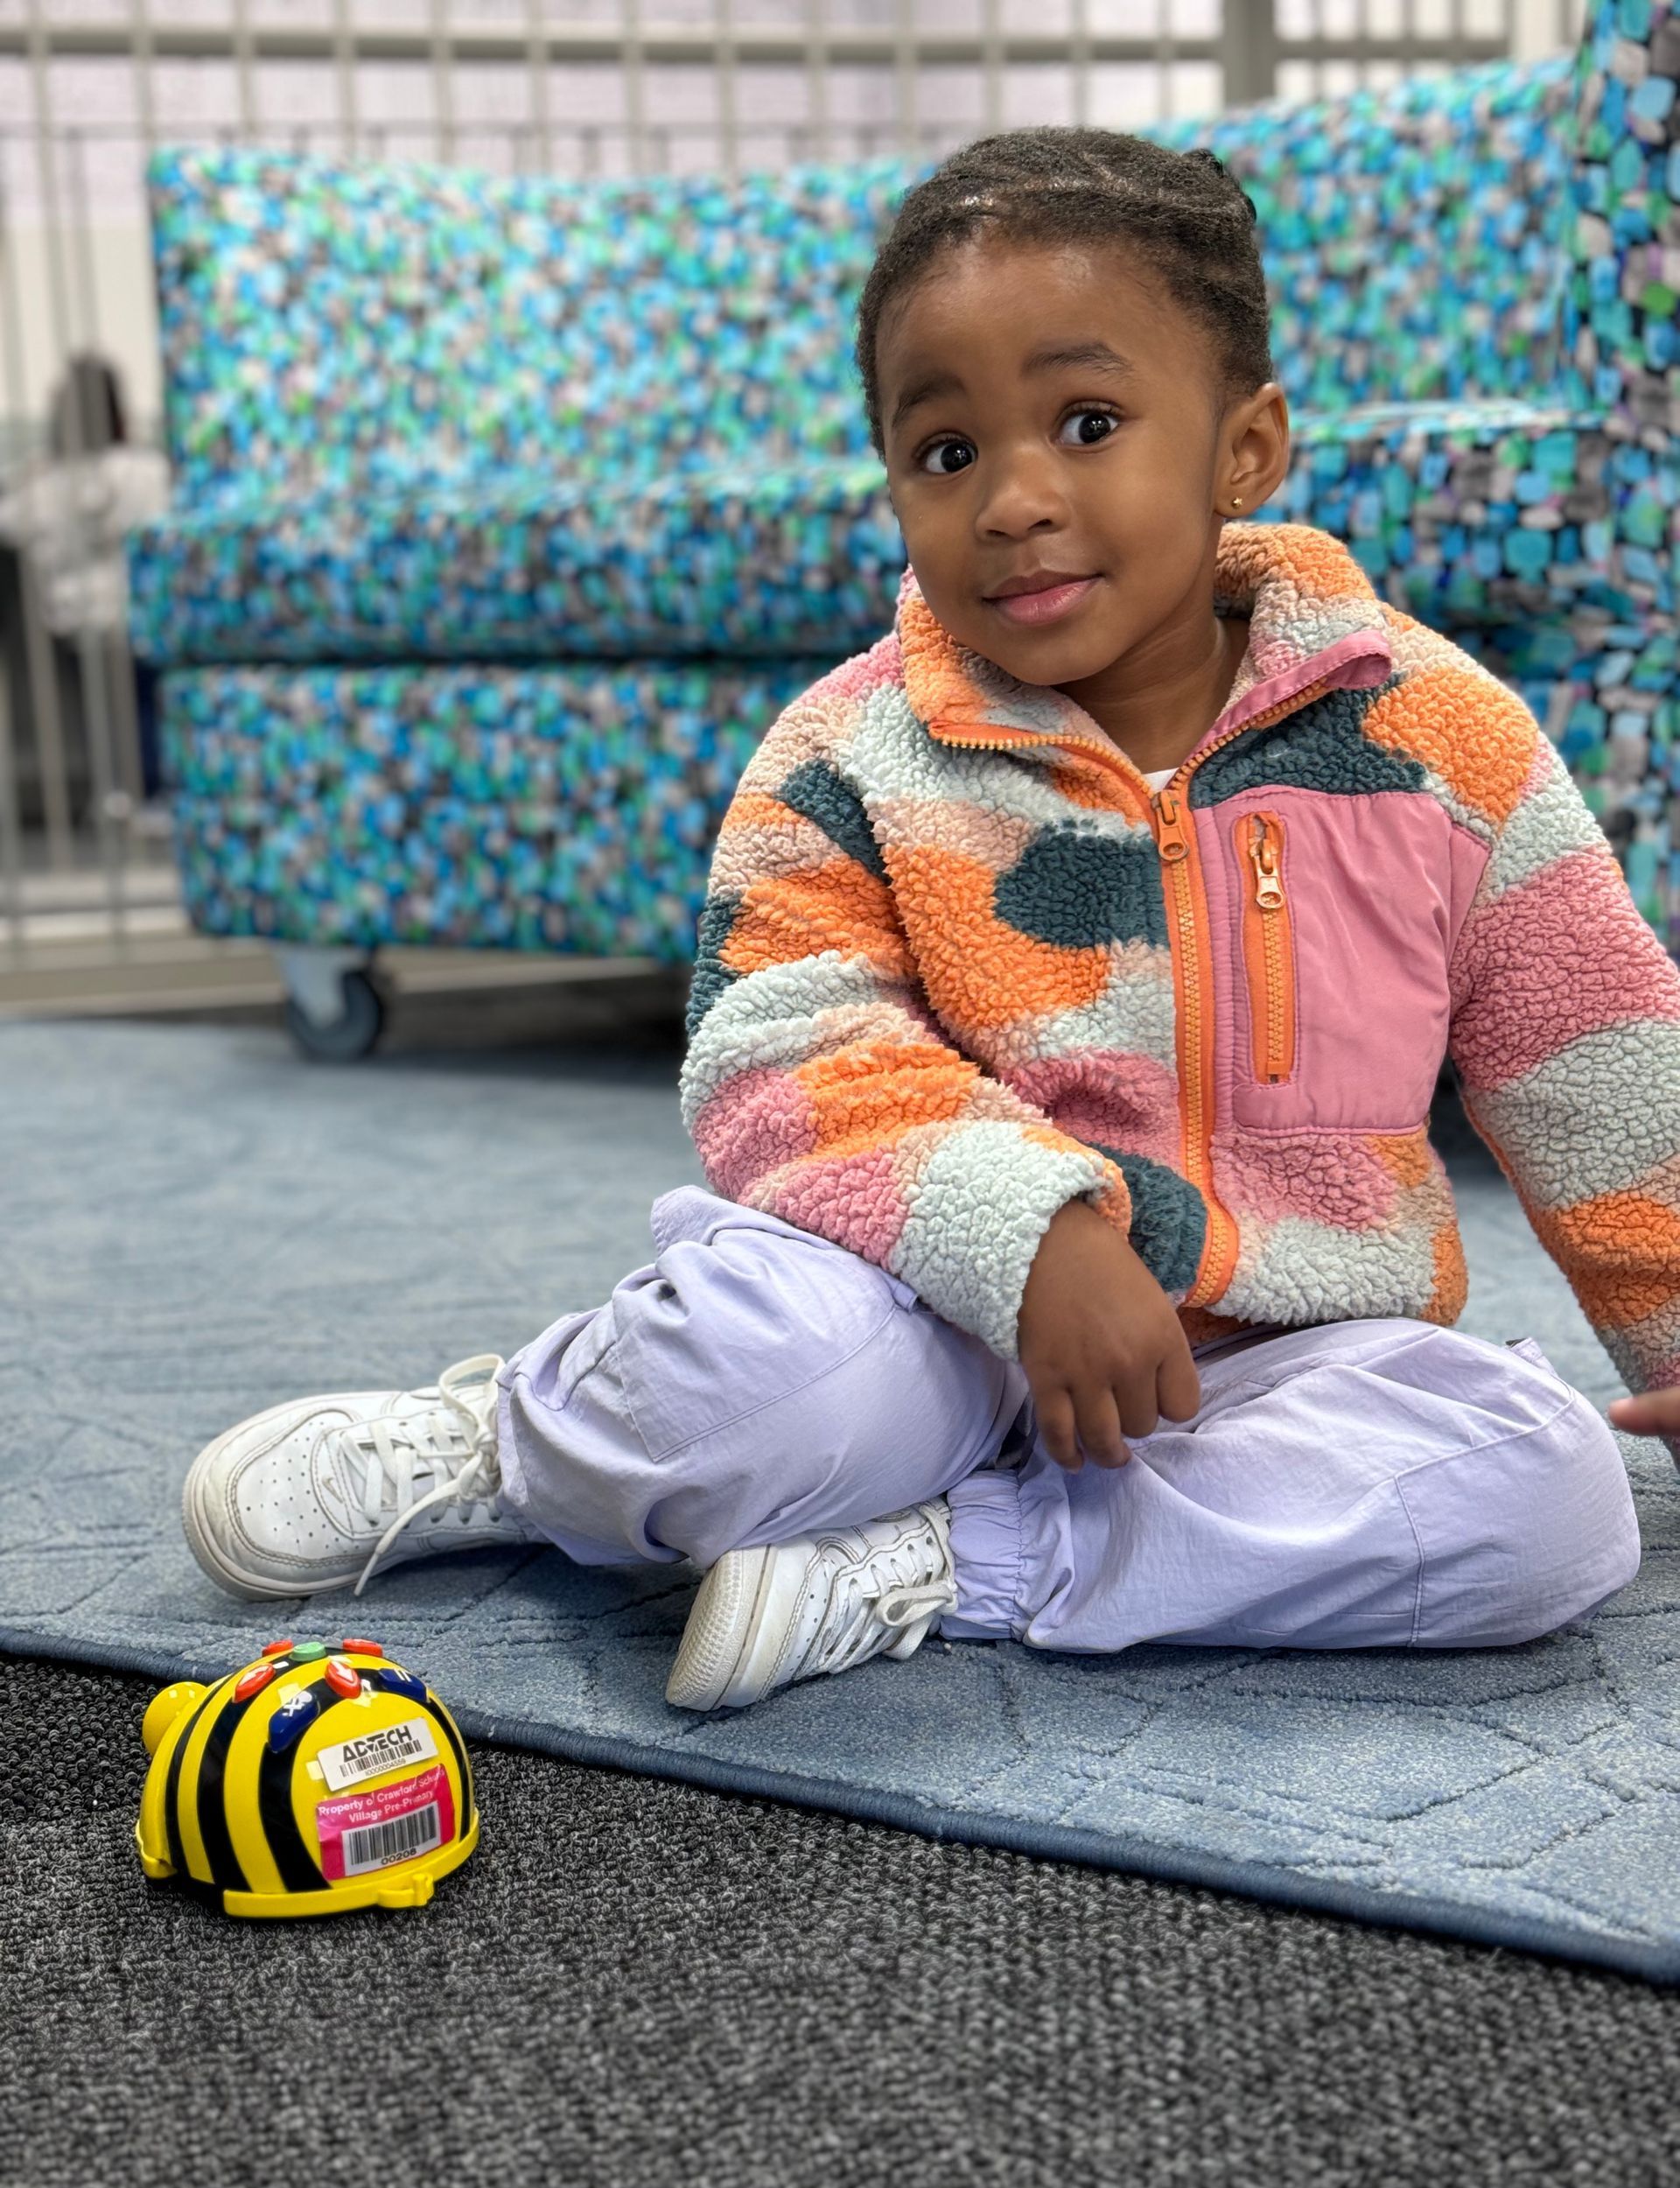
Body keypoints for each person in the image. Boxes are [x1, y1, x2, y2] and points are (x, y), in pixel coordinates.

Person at [180, 130, 1675, 1714]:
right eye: (947, 453)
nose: (1017, 501)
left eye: (1088, 424)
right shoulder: (852, 750)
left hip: (1267, 1366)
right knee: (759, 1382)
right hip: (922, 1312)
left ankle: (945, 1564)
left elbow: (1605, 1063)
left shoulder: (1445, 744)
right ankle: (519, 1444)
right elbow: (774, 1046)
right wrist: (1026, 1233)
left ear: (1245, 450)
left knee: (1547, 1502)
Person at [0, 352, 170, 803]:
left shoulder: (41, 485)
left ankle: (116, 789)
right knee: (147, 707)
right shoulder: (150, 471)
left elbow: (9, 523)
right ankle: (152, 790)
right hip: (141, 615)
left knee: (101, 710)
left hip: (75, 623)